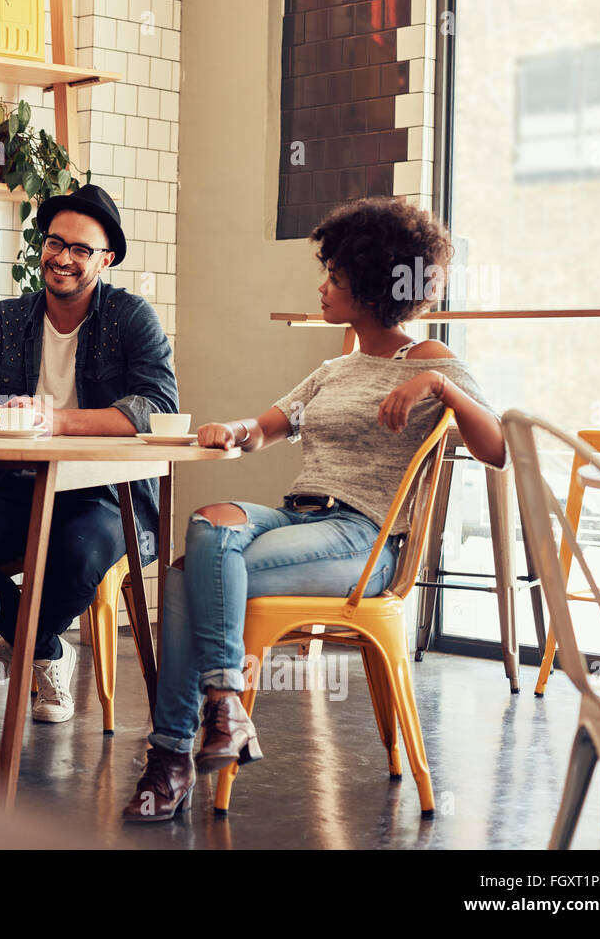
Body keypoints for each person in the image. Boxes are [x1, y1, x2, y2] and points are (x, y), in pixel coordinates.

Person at [123, 197, 508, 822]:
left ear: (373, 285)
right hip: (298, 517)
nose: (322, 286)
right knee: (204, 527)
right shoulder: (334, 367)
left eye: (334, 276)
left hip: (364, 540)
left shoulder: (433, 362)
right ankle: (224, 705)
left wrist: (438, 386)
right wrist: (234, 428)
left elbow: (498, 449)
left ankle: (170, 760)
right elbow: (270, 427)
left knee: (184, 578)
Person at [0, 184, 179, 723]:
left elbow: (157, 404)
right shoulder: (5, 320)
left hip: (107, 494)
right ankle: (44, 649)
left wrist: (56, 419)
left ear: (106, 259)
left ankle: (18, 640)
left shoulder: (129, 317)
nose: (63, 258)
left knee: (73, 557)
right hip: (21, 484)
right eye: (54, 243)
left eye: (81, 249)